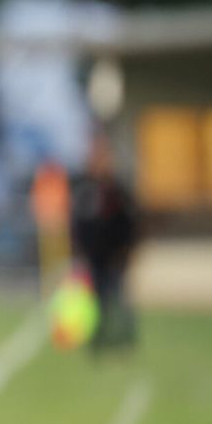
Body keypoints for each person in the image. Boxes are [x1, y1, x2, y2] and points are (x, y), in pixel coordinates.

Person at [69, 132, 139, 351]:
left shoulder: (118, 190)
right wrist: (79, 250)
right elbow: (78, 222)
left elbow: (130, 222)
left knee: (118, 299)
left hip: (115, 255)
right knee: (96, 301)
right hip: (94, 255)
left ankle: (123, 341)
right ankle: (98, 340)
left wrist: (127, 250)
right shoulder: (85, 189)